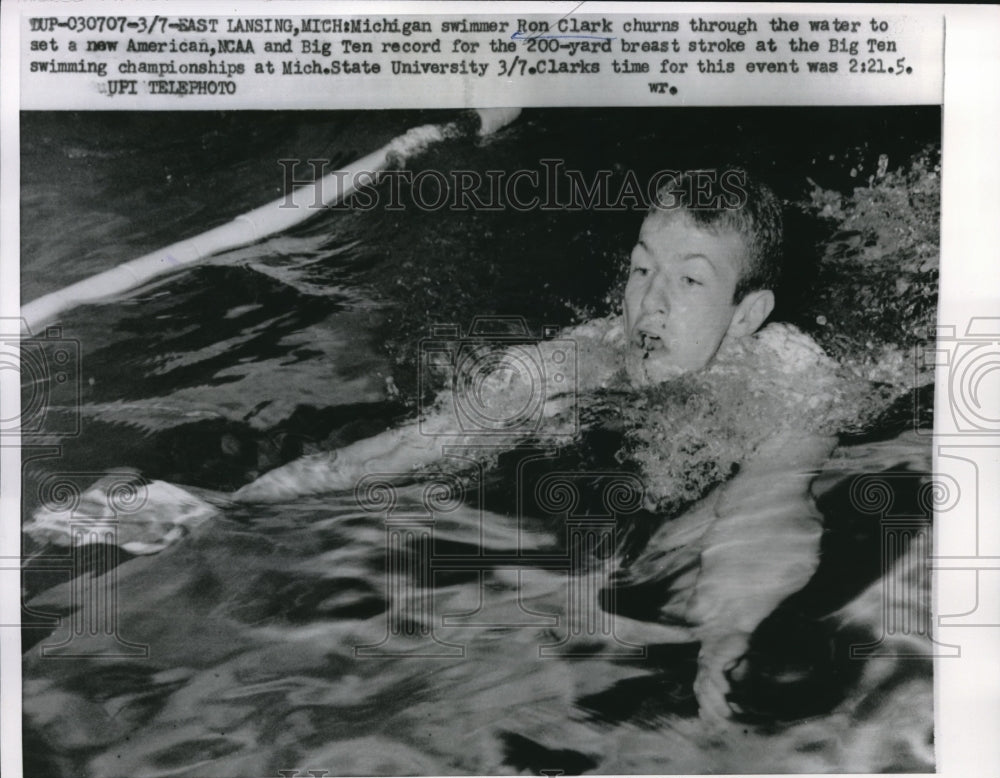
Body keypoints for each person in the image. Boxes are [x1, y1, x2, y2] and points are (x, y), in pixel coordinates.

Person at [27, 169, 839, 723]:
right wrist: (232, 506)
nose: (649, 305)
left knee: (708, 532)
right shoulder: (573, 361)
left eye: (691, 281)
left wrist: (729, 635)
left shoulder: (794, 376)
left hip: (721, 470)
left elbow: (775, 498)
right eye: (638, 270)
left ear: (747, 312)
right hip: (597, 472)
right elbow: (402, 450)